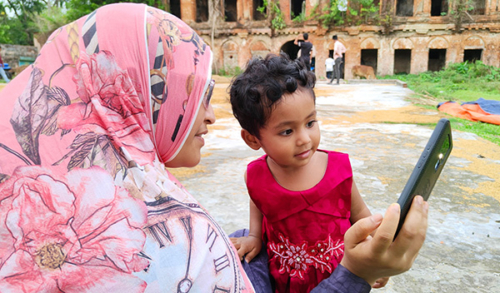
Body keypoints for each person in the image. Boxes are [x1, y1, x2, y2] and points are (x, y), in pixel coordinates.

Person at [0, 4, 429, 293]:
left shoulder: (52, 186)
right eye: (195, 96)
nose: (209, 117)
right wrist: (357, 274)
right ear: (132, 94)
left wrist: (236, 242)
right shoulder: (154, 243)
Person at [229, 53, 390, 292]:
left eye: (310, 123)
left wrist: (374, 259)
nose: (304, 139)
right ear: (253, 139)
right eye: (287, 131)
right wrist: (253, 237)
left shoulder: (339, 169)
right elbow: (259, 207)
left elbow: (363, 219)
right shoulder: (256, 176)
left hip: (340, 276)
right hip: (283, 281)